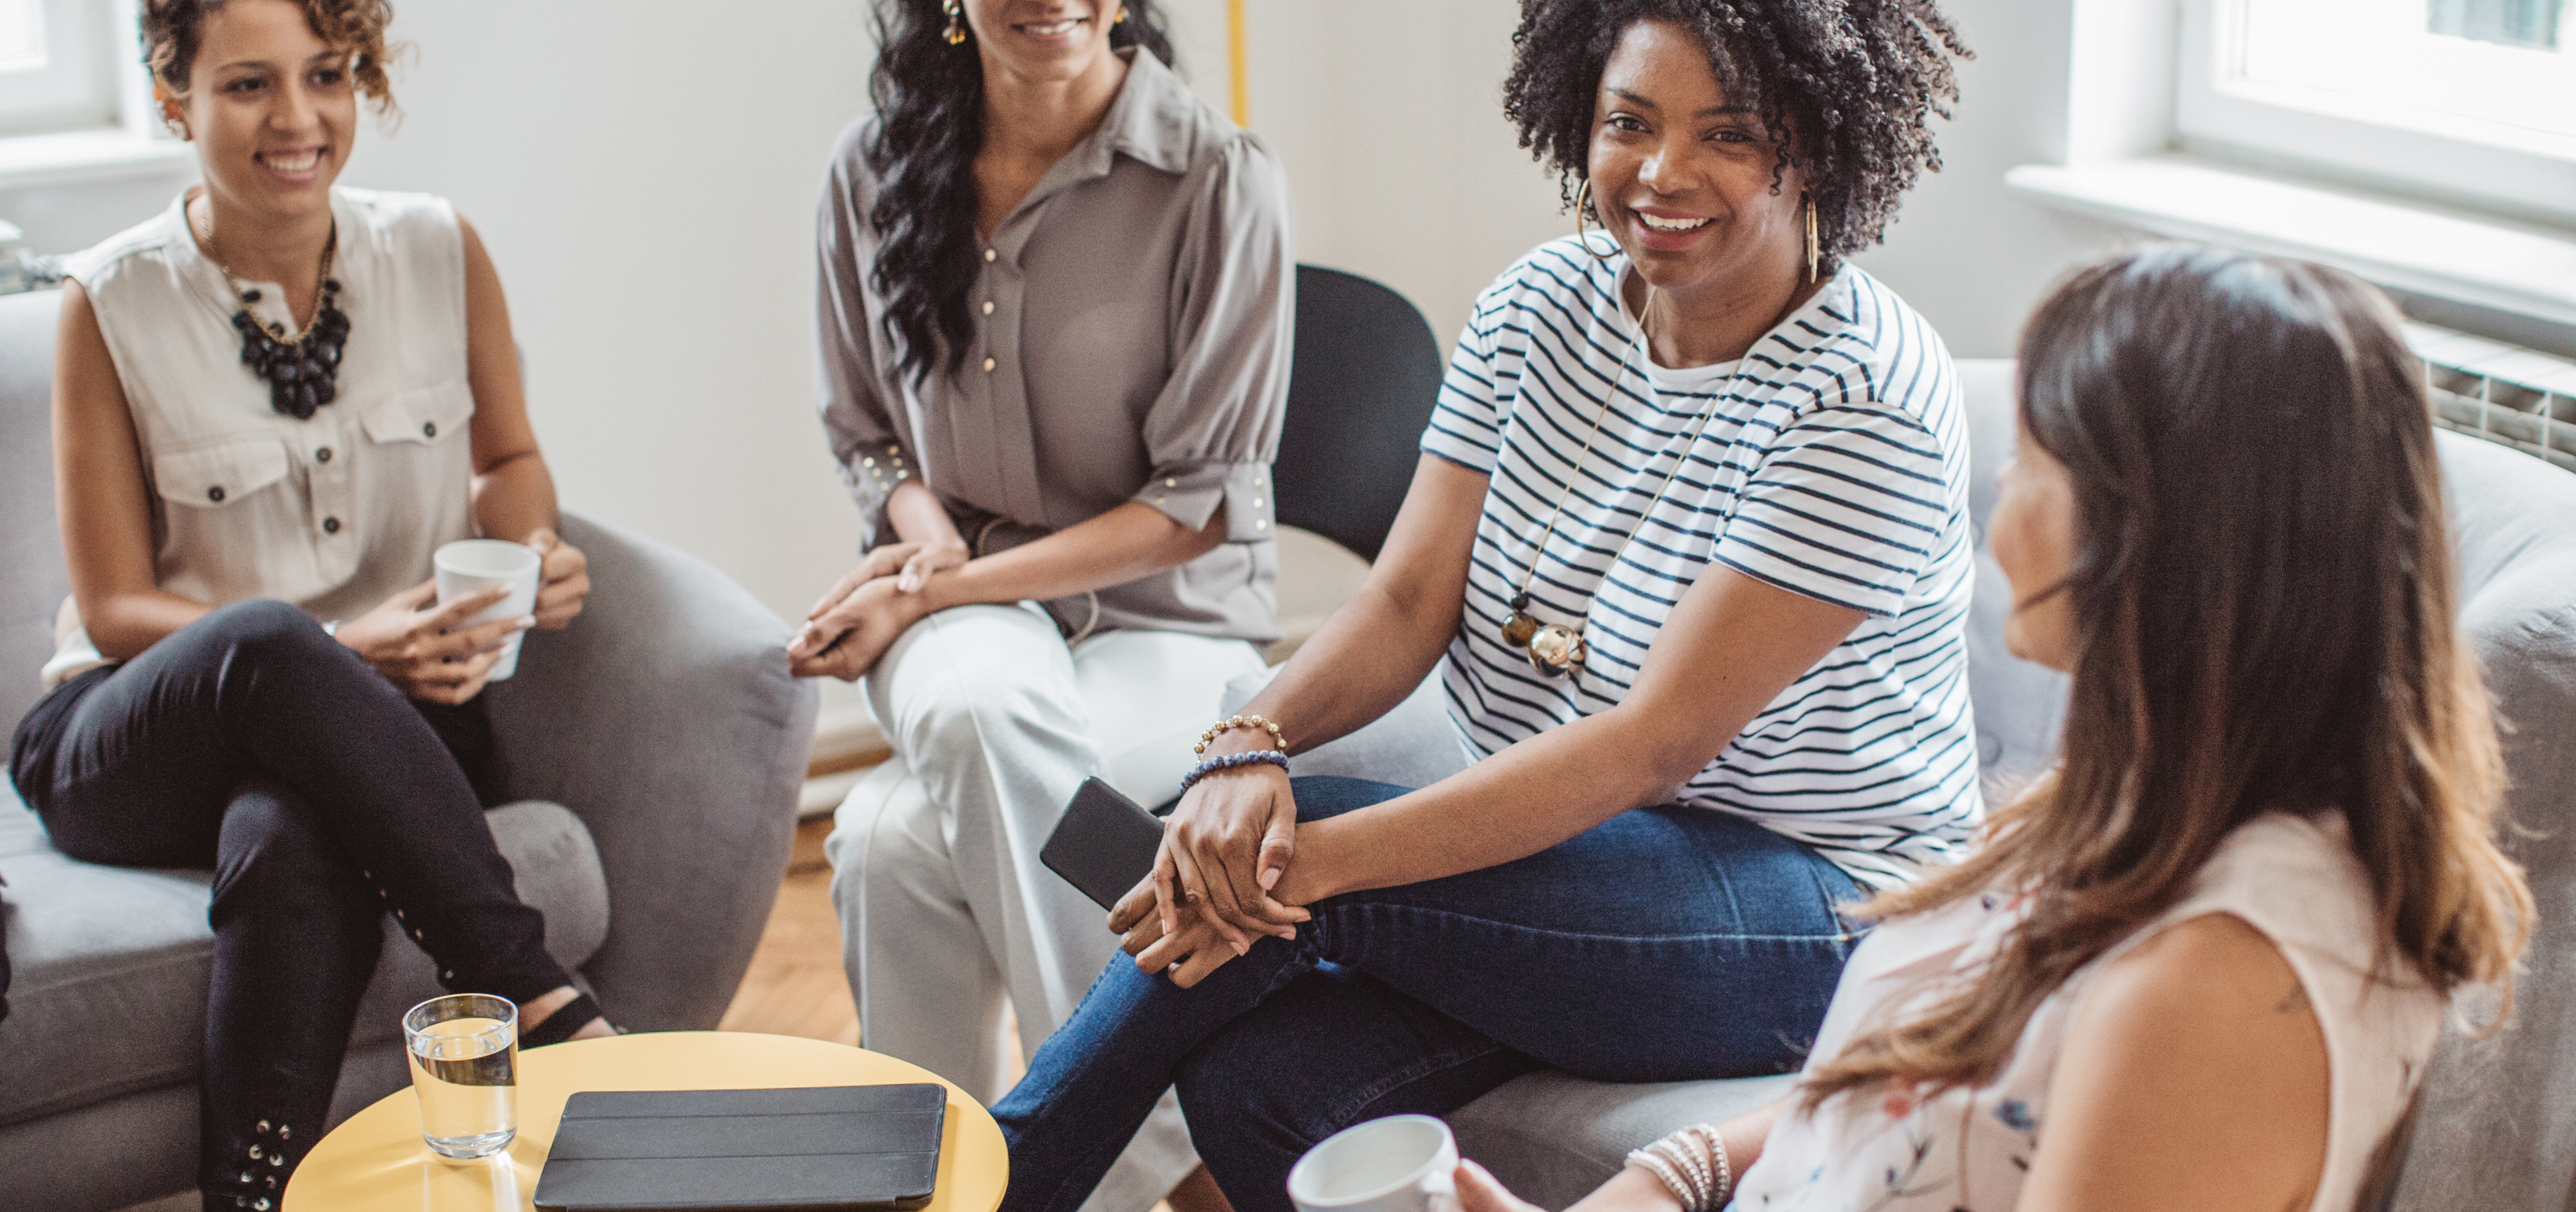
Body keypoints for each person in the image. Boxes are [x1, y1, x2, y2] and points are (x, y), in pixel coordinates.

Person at [989, 2, 1977, 1208]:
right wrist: (1243, 749)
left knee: (1285, 855)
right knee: (1260, 1083)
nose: (1664, 172)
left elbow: (1648, 744)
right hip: (1582, 870)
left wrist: (1296, 860)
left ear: (1817, 144)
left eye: (1728, 135)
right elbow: (1408, 599)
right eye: (1630, 123)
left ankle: (1001, 1175)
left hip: (1820, 907)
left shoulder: (1864, 397)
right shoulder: (1538, 306)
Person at [1446, 247, 2536, 1212]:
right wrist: (1669, 1177)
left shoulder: (2219, 987)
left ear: (2157, 540)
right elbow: (1927, 1088)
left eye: (2034, 466)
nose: (2000, 499)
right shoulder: (2157, 800)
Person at [8, 1, 614, 1206]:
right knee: (275, 643)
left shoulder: (441, 250)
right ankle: (539, 997)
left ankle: (254, 1195)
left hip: (385, 738)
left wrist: (532, 545)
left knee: (290, 843)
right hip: (132, 734)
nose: (298, 120)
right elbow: (118, 602)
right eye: (246, 86)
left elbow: (507, 460)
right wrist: (340, 646)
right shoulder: (110, 301)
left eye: (326, 76)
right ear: (173, 94)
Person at [791, 2, 1293, 1208]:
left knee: (885, 841)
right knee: (969, 718)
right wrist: (925, 560)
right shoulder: (871, 170)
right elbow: (865, 437)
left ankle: (938, 1186)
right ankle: (1171, 1161)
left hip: (1171, 615)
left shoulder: (1218, 177)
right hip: (960, 604)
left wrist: (935, 587)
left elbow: (1192, 508)